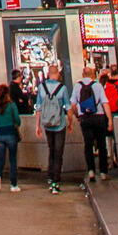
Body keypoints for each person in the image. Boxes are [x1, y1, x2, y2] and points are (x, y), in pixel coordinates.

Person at [34, 61, 71, 194]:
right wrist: (70, 122)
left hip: (47, 125)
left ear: (48, 74)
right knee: (58, 152)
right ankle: (56, 181)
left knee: (51, 150)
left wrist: (37, 126)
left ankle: (50, 177)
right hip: (59, 124)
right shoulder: (62, 88)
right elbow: (68, 107)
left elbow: (38, 108)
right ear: (58, 74)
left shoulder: (41, 87)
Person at [75, 66, 111, 182]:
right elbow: (105, 103)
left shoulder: (77, 86)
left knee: (88, 145)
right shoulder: (98, 86)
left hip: (85, 118)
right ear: (92, 75)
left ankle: (91, 171)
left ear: (82, 74)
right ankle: (103, 172)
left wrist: (78, 115)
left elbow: (73, 104)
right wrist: (109, 120)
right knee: (101, 145)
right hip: (99, 117)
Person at [0, 82, 22, 192]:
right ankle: (13, 185)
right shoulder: (12, 105)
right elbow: (18, 121)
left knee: (0, 158)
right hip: (11, 134)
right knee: (12, 160)